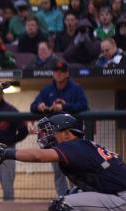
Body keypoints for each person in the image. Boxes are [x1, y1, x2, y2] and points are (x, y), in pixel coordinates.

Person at [30, 62, 89, 196]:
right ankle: (62, 199)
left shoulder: (76, 89)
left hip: (72, 137)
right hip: (55, 137)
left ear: (67, 73)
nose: (58, 73)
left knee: (75, 170)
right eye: (56, 70)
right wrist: (39, 105)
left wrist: (65, 107)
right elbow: (33, 106)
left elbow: (84, 106)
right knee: (59, 172)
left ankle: (78, 198)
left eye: (62, 71)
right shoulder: (47, 90)